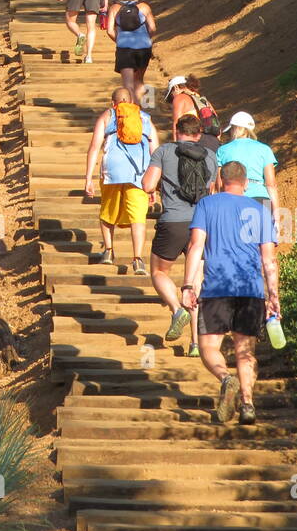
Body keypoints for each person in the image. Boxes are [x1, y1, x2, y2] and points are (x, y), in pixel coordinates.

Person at [180, 159, 280, 424]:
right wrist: (273, 296)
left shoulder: (206, 204)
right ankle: (247, 405)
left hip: (216, 288)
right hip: (250, 289)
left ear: (221, 181)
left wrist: (188, 285)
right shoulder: (260, 210)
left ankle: (226, 379)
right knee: (245, 350)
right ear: (246, 184)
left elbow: (196, 247)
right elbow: (268, 260)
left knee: (208, 346)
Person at [142, 113, 217, 357]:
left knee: (159, 272)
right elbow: (212, 190)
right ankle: (195, 344)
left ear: (177, 132)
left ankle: (176, 310)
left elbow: (147, 185)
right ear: (198, 135)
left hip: (173, 221)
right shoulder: (212, 157)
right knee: (194, 283)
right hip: (202, 224)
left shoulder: (164, 152)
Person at [84, 88, 159, 274]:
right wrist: (154, 186)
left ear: (113, 103)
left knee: (108, 211)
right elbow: (156, 152)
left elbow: (94, 147)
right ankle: (138, 259)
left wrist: (88, 178)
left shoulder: (108, 115)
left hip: (112, 171)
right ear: (132, 101)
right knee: (138, 217)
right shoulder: (145, 118)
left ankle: (108, 252)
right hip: (139, 174)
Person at [216, 112, 280, 228]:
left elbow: (219, 184)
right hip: (261, 199)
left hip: (233, 199)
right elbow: (271, 184)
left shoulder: (222, 150)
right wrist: (276, 214)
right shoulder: (264, 149)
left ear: (234, 129)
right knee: (262, 242)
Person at [107, 0, 156, 107]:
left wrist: (119, 40)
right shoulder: (144, 7)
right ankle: (142, 109)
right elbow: (153, 28)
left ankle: (133, 110)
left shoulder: (114, 8)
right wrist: (146, 39)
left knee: (128, 85)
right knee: (139, 80)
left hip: (125, 49)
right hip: (144, 48)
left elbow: (109, 30)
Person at [166, 74, 221, 151]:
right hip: (214, 142)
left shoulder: (179, 98)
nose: (172, 100)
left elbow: (176, 126)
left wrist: (176, 148)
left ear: (176, 87)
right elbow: (216, 123)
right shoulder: (203, 101)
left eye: (171, 95)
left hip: (194, 141)